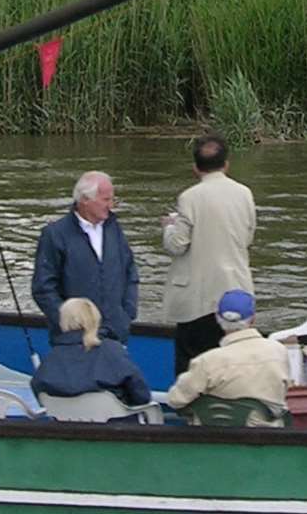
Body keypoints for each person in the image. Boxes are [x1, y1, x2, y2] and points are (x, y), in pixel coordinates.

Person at [161, 133, 256, 375]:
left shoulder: (189, 197)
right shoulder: (244, 193)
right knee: (233, 363)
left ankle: (193, 411)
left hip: (198, 299)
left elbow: (177, 245)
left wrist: (169, 227)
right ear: (226, 164)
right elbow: (247, 238)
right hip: (236, 292)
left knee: (192, 366)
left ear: (195, 168)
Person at [32, 171, 139, 345]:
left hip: (115, 333)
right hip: (73, 338)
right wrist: (67, 322)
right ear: (85, 200)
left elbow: (130, 271)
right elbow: (43, 288)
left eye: (112, 200)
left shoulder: (114, 229)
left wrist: (126, 314)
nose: (111, 206)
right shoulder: (55, 235)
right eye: (106, 200)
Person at [167, 289, 289, 427]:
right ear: (253, 319)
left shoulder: (207, 361)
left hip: (211, 435)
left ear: (218, 319)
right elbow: (284, 390)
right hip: (267, 435)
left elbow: (175, 400)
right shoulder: (279, 351)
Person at [31, 298, 151, 405]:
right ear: (95, 319)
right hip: (115, 424)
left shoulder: (53, 357)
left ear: (63, 322)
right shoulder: (112, 350)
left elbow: (39, 390)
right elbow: (142, 395)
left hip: (65, 426)